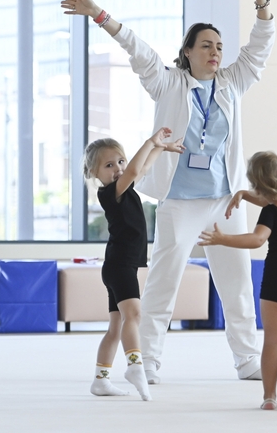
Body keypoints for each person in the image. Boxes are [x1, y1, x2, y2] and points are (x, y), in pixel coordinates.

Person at [62, 0, 275, 383]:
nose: (215, 52)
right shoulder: (168, 84)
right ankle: (150, 361)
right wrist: (98, 14)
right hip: (180, 201)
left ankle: (248, 360)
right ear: (189, 51)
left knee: (237, 284)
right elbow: (138, 50)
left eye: (219, 46)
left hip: (225, 200)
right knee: (164, 282)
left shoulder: (232, 82)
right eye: (206, 46)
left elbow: (261, 46)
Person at [198, 152, 277, 411]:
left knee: (273, 341)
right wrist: (244, 195)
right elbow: (271, 197)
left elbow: (258, 239)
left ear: (257, 183)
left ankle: (269, 397)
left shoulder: (270, 213)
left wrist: (222, 239)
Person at [82, 128, 184, 401]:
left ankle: (100, 380)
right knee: (134, 315)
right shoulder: (109, 193)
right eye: (108, 165)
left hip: (119, 264)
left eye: (120, 161)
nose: (117, 168)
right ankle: (135, 365)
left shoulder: (125, 188)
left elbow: (142, 167)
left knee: (116, 327)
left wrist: (162, 148)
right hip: (119, 265)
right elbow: (135, 170)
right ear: (94, 173)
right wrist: (150, 141)